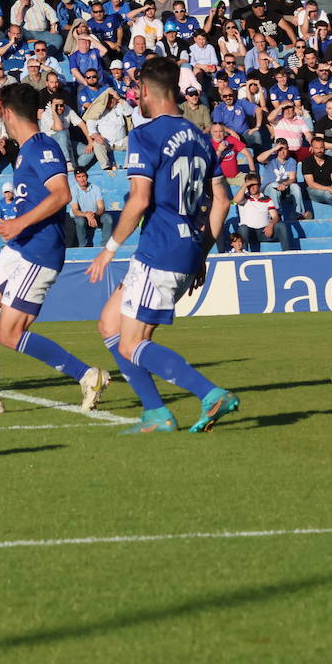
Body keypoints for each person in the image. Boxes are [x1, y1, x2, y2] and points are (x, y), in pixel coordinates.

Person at [87, 57, 238, 434]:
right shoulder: (201, 137)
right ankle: (156, 413)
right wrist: (201, 250)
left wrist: (109, 248)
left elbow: (139, 200)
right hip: (185, 247)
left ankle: (209, 393)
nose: (135, 96)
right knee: (109, 322)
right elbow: (223, 200)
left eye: (137, 89)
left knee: (131, 344)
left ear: (146, 91)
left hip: (160, 249)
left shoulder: (145, 134)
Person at [0, 83, 111, 417]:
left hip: (38, 250)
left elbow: (62, 194)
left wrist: (18, 224)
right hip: (21, 246)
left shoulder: (41, 147)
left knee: (10, 333)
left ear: (7, 114)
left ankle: (87, 375)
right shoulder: (26, 148)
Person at [231, 175, 291, 252]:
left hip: (265, 232)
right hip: (249, 233)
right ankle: (243, 253)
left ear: (259, 185)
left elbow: (275, 216)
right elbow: (235, 200)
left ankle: (287, 252)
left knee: (281, 225)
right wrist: (245, 184)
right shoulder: (244, 198)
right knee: (243, 228)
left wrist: (270, 225)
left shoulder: (267, 198)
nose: (252, 187)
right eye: (249, 185)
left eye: (254, 185)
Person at [69, 168, 111, 247]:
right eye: (79, 177)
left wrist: (92, 214)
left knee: (107, 218)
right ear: (75, 178)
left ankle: (105, 246)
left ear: (87, 177)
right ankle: (83, 246)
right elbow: (75, 211)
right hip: (81, 216)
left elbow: (101, 208)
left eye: (83, 176)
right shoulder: (73, 190)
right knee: (80, 221)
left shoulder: (95, 188)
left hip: (95, 215)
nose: (82, 179)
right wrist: (86, 215)